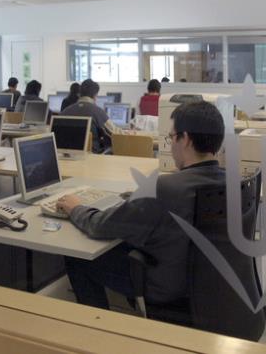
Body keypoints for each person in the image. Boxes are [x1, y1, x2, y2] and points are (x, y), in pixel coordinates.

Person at [56, 101, 226, 309]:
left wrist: (76, 207)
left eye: (171, 137)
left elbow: (100, 226)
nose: (170, 145)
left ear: (186, 140)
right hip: (209, 287)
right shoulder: (232, 183)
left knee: (78, 258)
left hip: (165, 287)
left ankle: (96, 329)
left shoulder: (163, 188)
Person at [61, 79, 119, 153]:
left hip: (67, 156)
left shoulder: (65, 111)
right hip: (92, 155)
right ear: (95, 95)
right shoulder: (97, 111)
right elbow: (115, 133)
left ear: (80, 93)